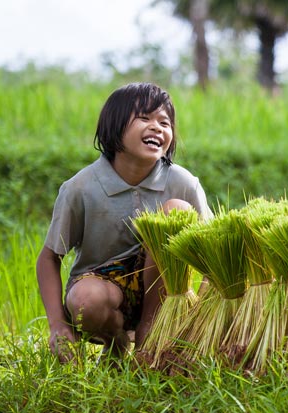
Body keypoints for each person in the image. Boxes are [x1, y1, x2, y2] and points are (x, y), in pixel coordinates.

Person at [36, 82, 213, 363]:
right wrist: (57, 325)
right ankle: (116, 342)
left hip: (166, 294)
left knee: (176, 210)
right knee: (86, 302)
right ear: (115, 126)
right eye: (144, 118)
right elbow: (48, 258)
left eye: (164, 122)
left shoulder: (183, 184)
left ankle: (150, 330)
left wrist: (203, 313)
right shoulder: (81, 188)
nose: (157, 127)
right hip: (102, 292)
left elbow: (212, 253)